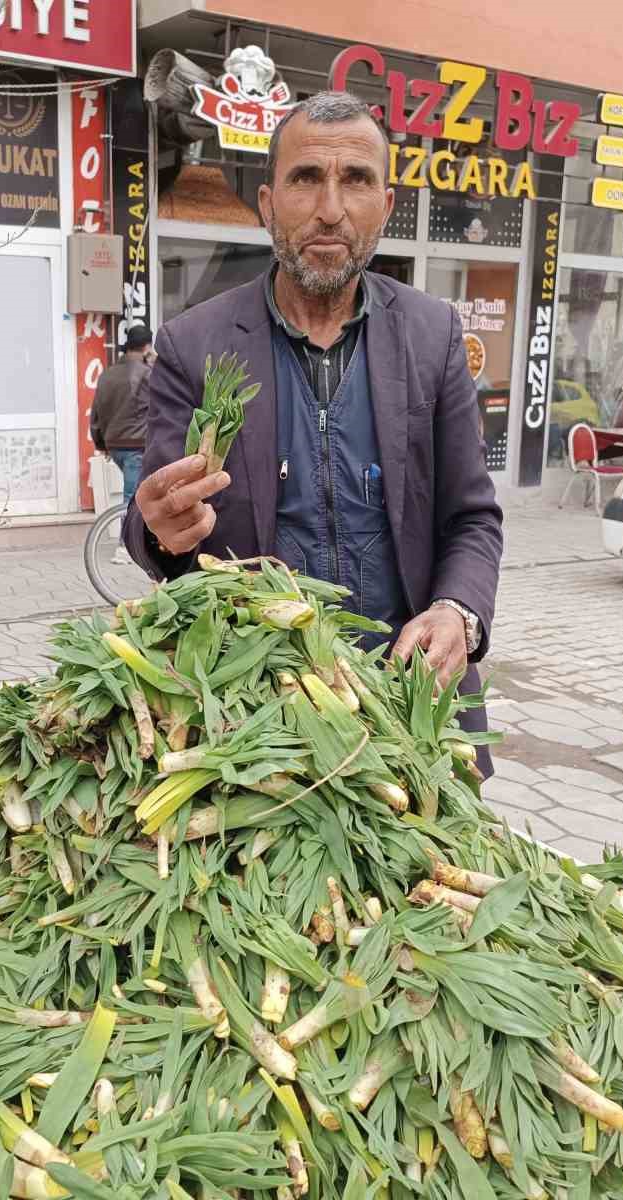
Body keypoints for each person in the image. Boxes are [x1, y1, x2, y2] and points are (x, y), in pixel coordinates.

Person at [121, 90, 504, 776]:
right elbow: (157, 529)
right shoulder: (194, 343)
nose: (331, 209)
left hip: (409, 701)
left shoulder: (432, 333)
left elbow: (472, 517)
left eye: (356, 180)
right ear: (267, 204)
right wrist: (157, 530)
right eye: (306, 179)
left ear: (386, 206)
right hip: (260, 719)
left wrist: (458, 614)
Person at [90, 324, 154, 565]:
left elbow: (95, 414)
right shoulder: (148, 373)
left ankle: (143, 541)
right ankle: (124, 547)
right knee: (132, 496)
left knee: (137, 492)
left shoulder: (107, 374)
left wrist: (101, 444)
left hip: (115, 444)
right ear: (147, 346)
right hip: (137, 444)